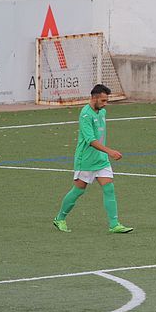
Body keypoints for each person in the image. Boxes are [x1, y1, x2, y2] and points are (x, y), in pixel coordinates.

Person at [52, 84, 133, 233]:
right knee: (78, 190)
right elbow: (91, 140)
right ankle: (60, 218)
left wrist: (105, 154)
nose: (105, 104)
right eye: (103, 100)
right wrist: (110, 151)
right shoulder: (85, 115)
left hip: (101, 160)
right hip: (86, 160)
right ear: (94, 98)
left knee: (109, 189)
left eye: (106, 100)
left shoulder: (102, 112)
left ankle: (114, 225)